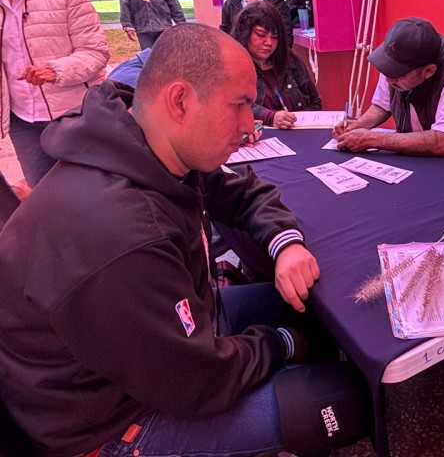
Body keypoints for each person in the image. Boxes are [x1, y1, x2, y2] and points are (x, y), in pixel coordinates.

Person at [0, 24, 372, 457]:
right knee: (341, 399)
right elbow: (196, 382)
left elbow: (243, 191)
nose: (249, 125)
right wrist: (280, 344)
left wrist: (285, 244)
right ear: (179, 101)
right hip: (107, 420)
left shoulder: (149, 146)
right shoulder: (124, 236)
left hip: (166, 341)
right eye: (238, 105)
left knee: (309, 307)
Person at [0, 0, 109, 187]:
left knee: (89, 190)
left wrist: (55, 70)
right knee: (43, 194)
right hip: (22, 122)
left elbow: (96, 52)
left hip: (72, 116)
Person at [333, 17, 444, 181]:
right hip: (424, 163)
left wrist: (372, 139)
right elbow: (381, 106)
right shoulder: (396, 62)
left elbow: (443, 142)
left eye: (398, 75)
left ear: (428, 71)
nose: (389, 79)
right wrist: (358, 126)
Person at [231, 0, 321, 129]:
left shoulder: (291, 62)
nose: (269, 42)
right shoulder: (233, 67)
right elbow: (235, 106)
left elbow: (315, 102)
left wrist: (303, 121)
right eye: (261, 35)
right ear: (245, 33)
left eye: (275, 37)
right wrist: (270, 117)